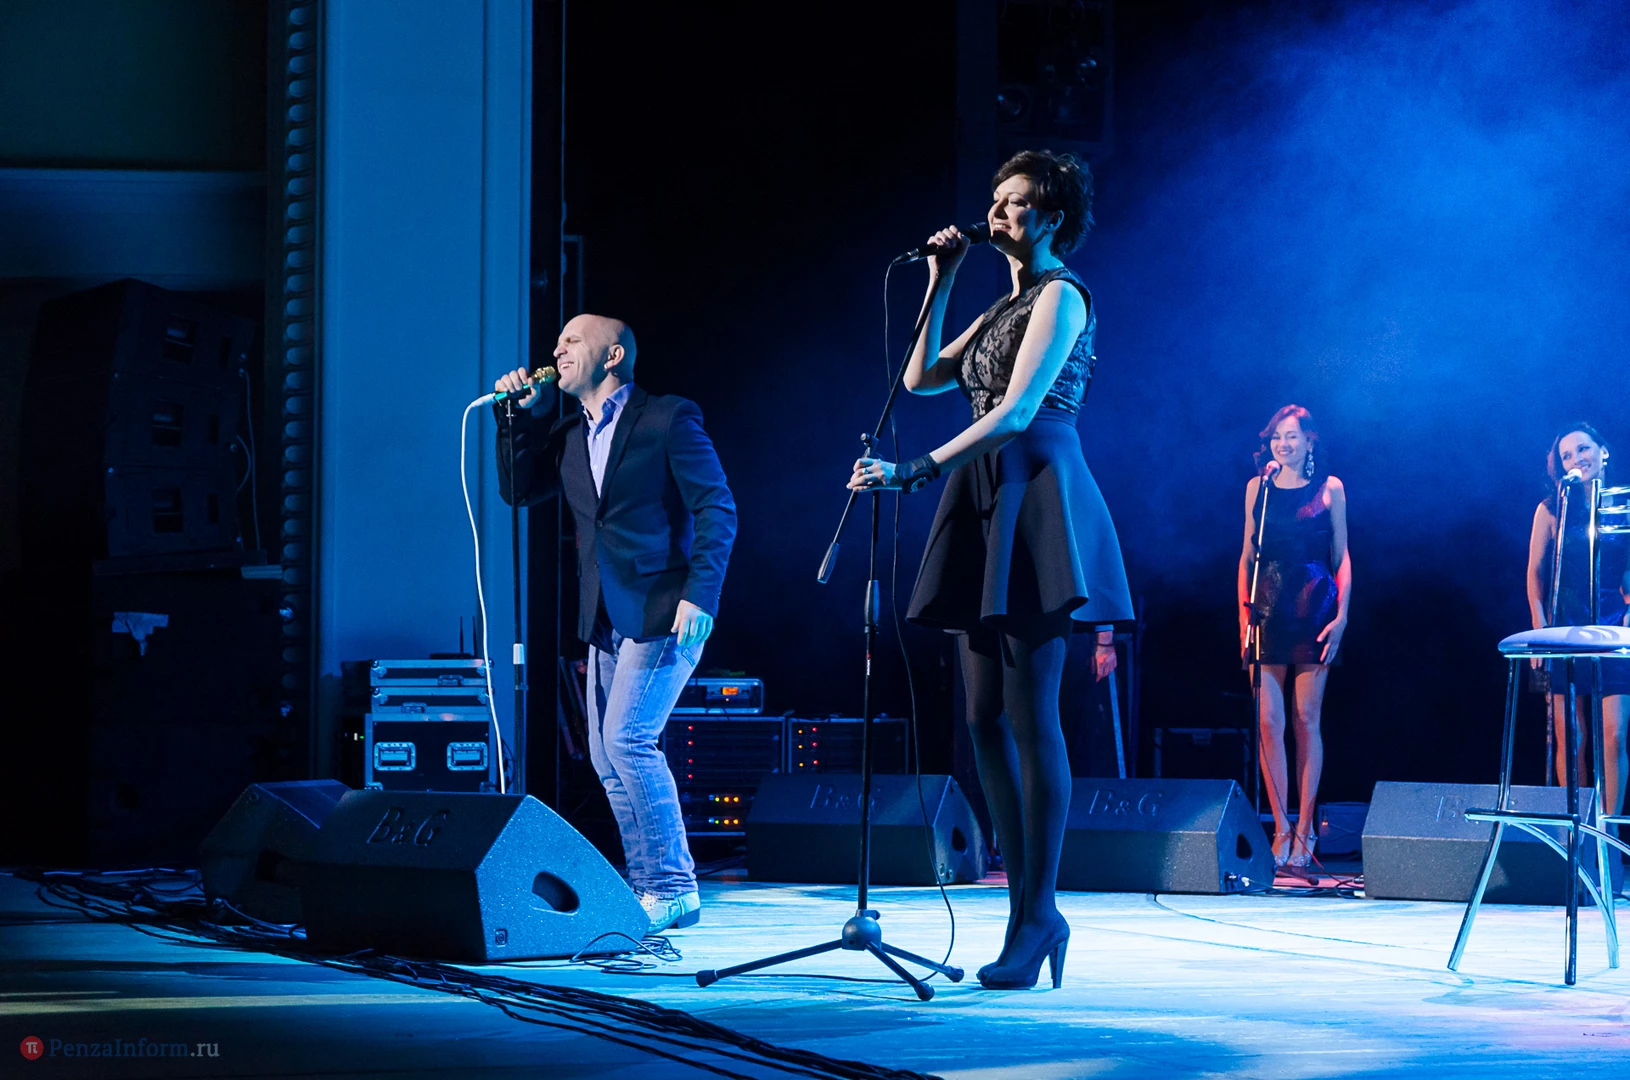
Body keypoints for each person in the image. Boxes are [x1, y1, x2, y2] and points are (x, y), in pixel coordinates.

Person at [847, 149, 1133, 990]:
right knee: (980, 717)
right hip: (983, 491)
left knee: (1030, 711)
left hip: (1036, 489)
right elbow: (921, 377)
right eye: (997, 201)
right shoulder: (1002, 302)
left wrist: (915, 470)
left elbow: (1017, 410)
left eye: (1015, 204)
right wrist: (940, 281)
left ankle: (1039, 912)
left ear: (1051, 217)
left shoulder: (1062, 297)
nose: (998, 214)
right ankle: (1024, 912)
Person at [495, 314, 736, 933]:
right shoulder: (569, 432)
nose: (557, 350)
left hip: (663, 607)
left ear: (612, 356)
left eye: (572, 341)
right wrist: (517, 417)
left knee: (629, 740)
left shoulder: (667, 417)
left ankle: (675, 885)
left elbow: (716, 506)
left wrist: (701, 595)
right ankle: (648, 884)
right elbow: (519, 491)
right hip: (605, 615)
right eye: (557, 342)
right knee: (606, 756)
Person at [1237, 405, 1350, 872]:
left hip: (1315, 606)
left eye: (1292, 436)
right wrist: (1242, 616)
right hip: (1266, 609)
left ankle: (1305, 826)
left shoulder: (1330, 488)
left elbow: (1342, 556)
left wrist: (1342, 616)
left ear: (1309, 441)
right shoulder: (1258, 488)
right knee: (1268, 722)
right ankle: (1280, 826)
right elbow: (1248, 556)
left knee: (1306, 718)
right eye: (1277, 437)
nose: (1283, 444)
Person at [1524, 422, 1629, 819]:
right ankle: (1577, 830)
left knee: (1614, 734)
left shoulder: (1622, 504)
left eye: (1583, 449)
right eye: (1566, 455)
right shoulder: (1552, 508)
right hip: (1563, 625)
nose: (1576, 459)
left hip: (1612, 623)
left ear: (1603, 451)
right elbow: (1535, 572)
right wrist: (1539, 628)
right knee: (1570, 735)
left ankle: (1608, 830)